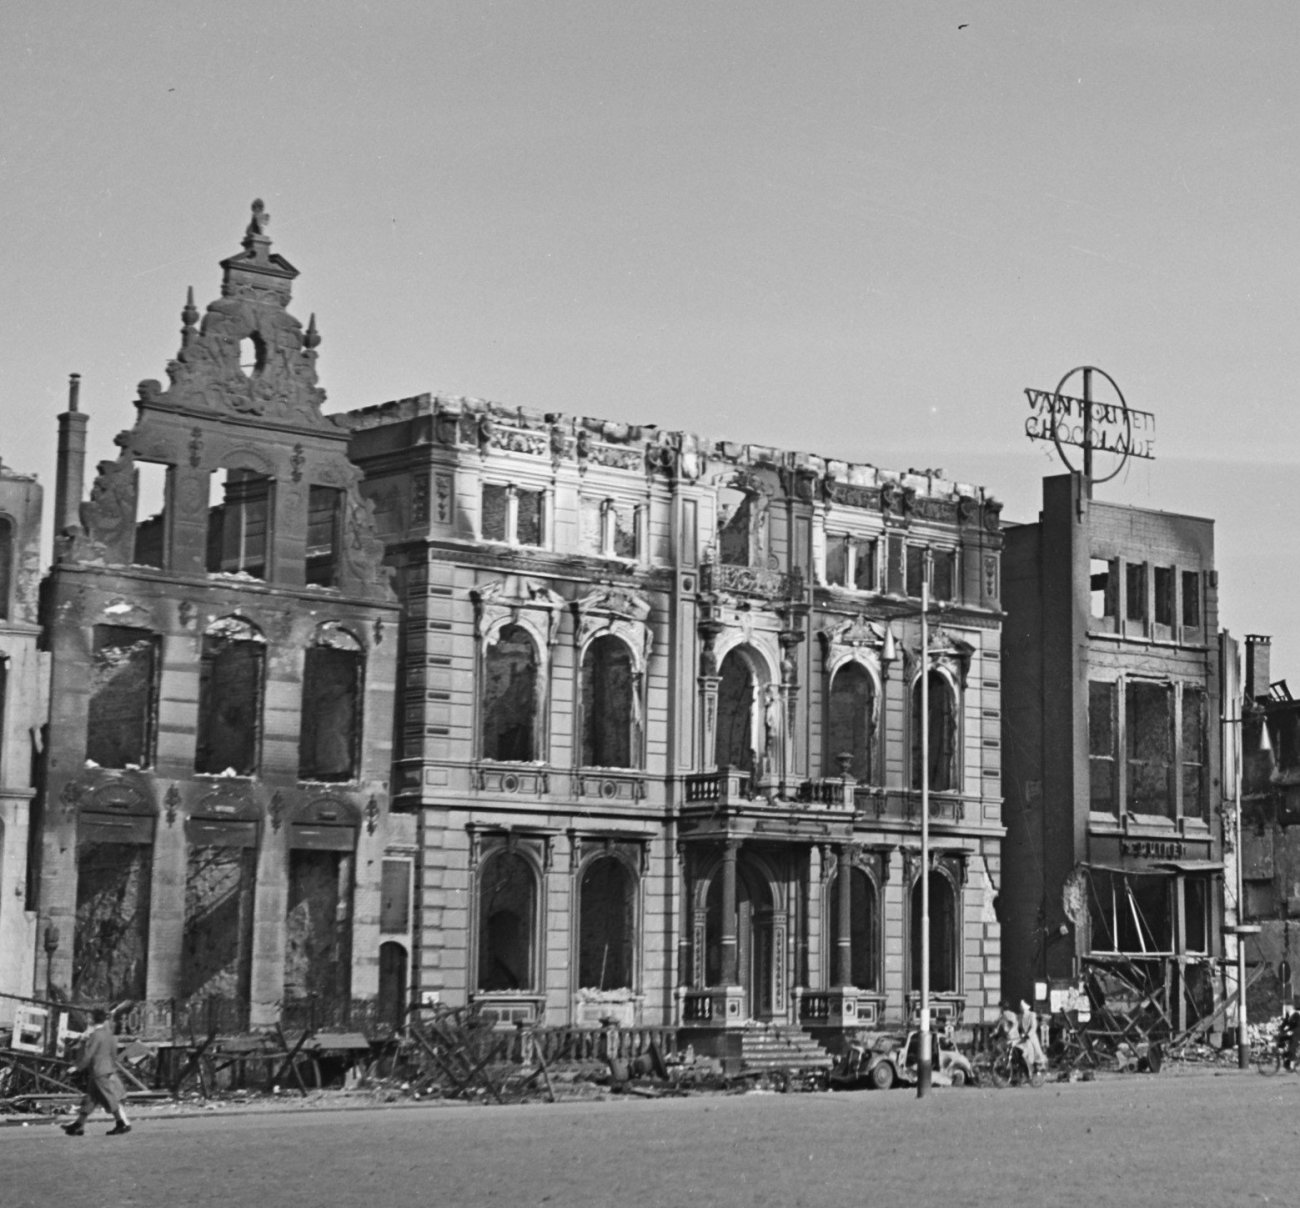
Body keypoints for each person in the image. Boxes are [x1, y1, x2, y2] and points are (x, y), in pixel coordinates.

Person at [63, 1008, 131, 1137]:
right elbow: (113, 1055)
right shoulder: (109, 1035)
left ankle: (120, 1123)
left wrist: (77, 1067)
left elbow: (89, 1054)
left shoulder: (95, 1035)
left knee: (109, 1098)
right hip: (106, 1069)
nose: (88, 1020)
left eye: (89, 1018)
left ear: (93, 1019)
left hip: (98, 1070)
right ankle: (78, 1124)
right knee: (90, 1099)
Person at [1016, 999, 1048, 1075]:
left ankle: (1040, 1066)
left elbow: (1033, 1027)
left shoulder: (1032, 1014)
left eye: (1020, 1006)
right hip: (1024, 1037)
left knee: (1036, 1051)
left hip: (1031, 1037)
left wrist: (1028, 1035)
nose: (1019, 1008)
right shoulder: (1021, 1016)